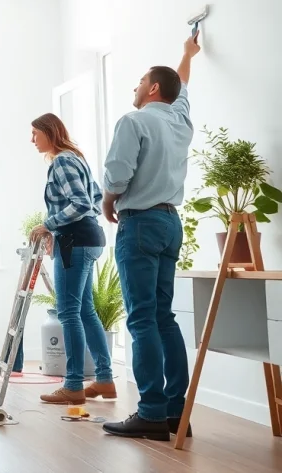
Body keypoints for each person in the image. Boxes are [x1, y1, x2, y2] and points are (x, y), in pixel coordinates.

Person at [101, 33, 201, 441]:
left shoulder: (134, 121)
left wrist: (108, 200)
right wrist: (186, 55)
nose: (136, 87)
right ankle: (178, 413)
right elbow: (183, 87)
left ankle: (150, 414)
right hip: (170, 223)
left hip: (140, 224)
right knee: (163, 317)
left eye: (140, 81)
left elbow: (117, 175)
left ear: (153, 87)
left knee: (141, 318)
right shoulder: (181, 119)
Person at [28, 114, 115, 405]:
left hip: (74, 242)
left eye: (35, 134)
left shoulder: (62, 161)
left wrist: (49, 225)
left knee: (67, 312)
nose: (32, 140)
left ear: (49, 133)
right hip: (89, 239)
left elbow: (79, 203)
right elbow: (96, 197)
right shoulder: (76, 158)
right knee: (86, 311)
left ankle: (74, 384)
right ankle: (104, 379)